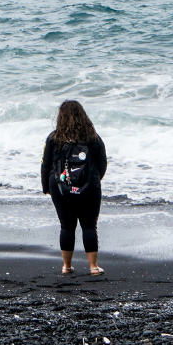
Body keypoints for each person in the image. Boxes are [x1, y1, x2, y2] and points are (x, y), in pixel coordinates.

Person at [41, 99, 108, 276]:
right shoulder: (93, 137)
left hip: (60, 186)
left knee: (66, 226)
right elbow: (102, 163)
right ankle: (93, 267)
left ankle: (66, 266)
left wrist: (47, 187)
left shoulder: (54, 137)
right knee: (89, 226)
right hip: (89, 186)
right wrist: (93, 181)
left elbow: (45, 164)